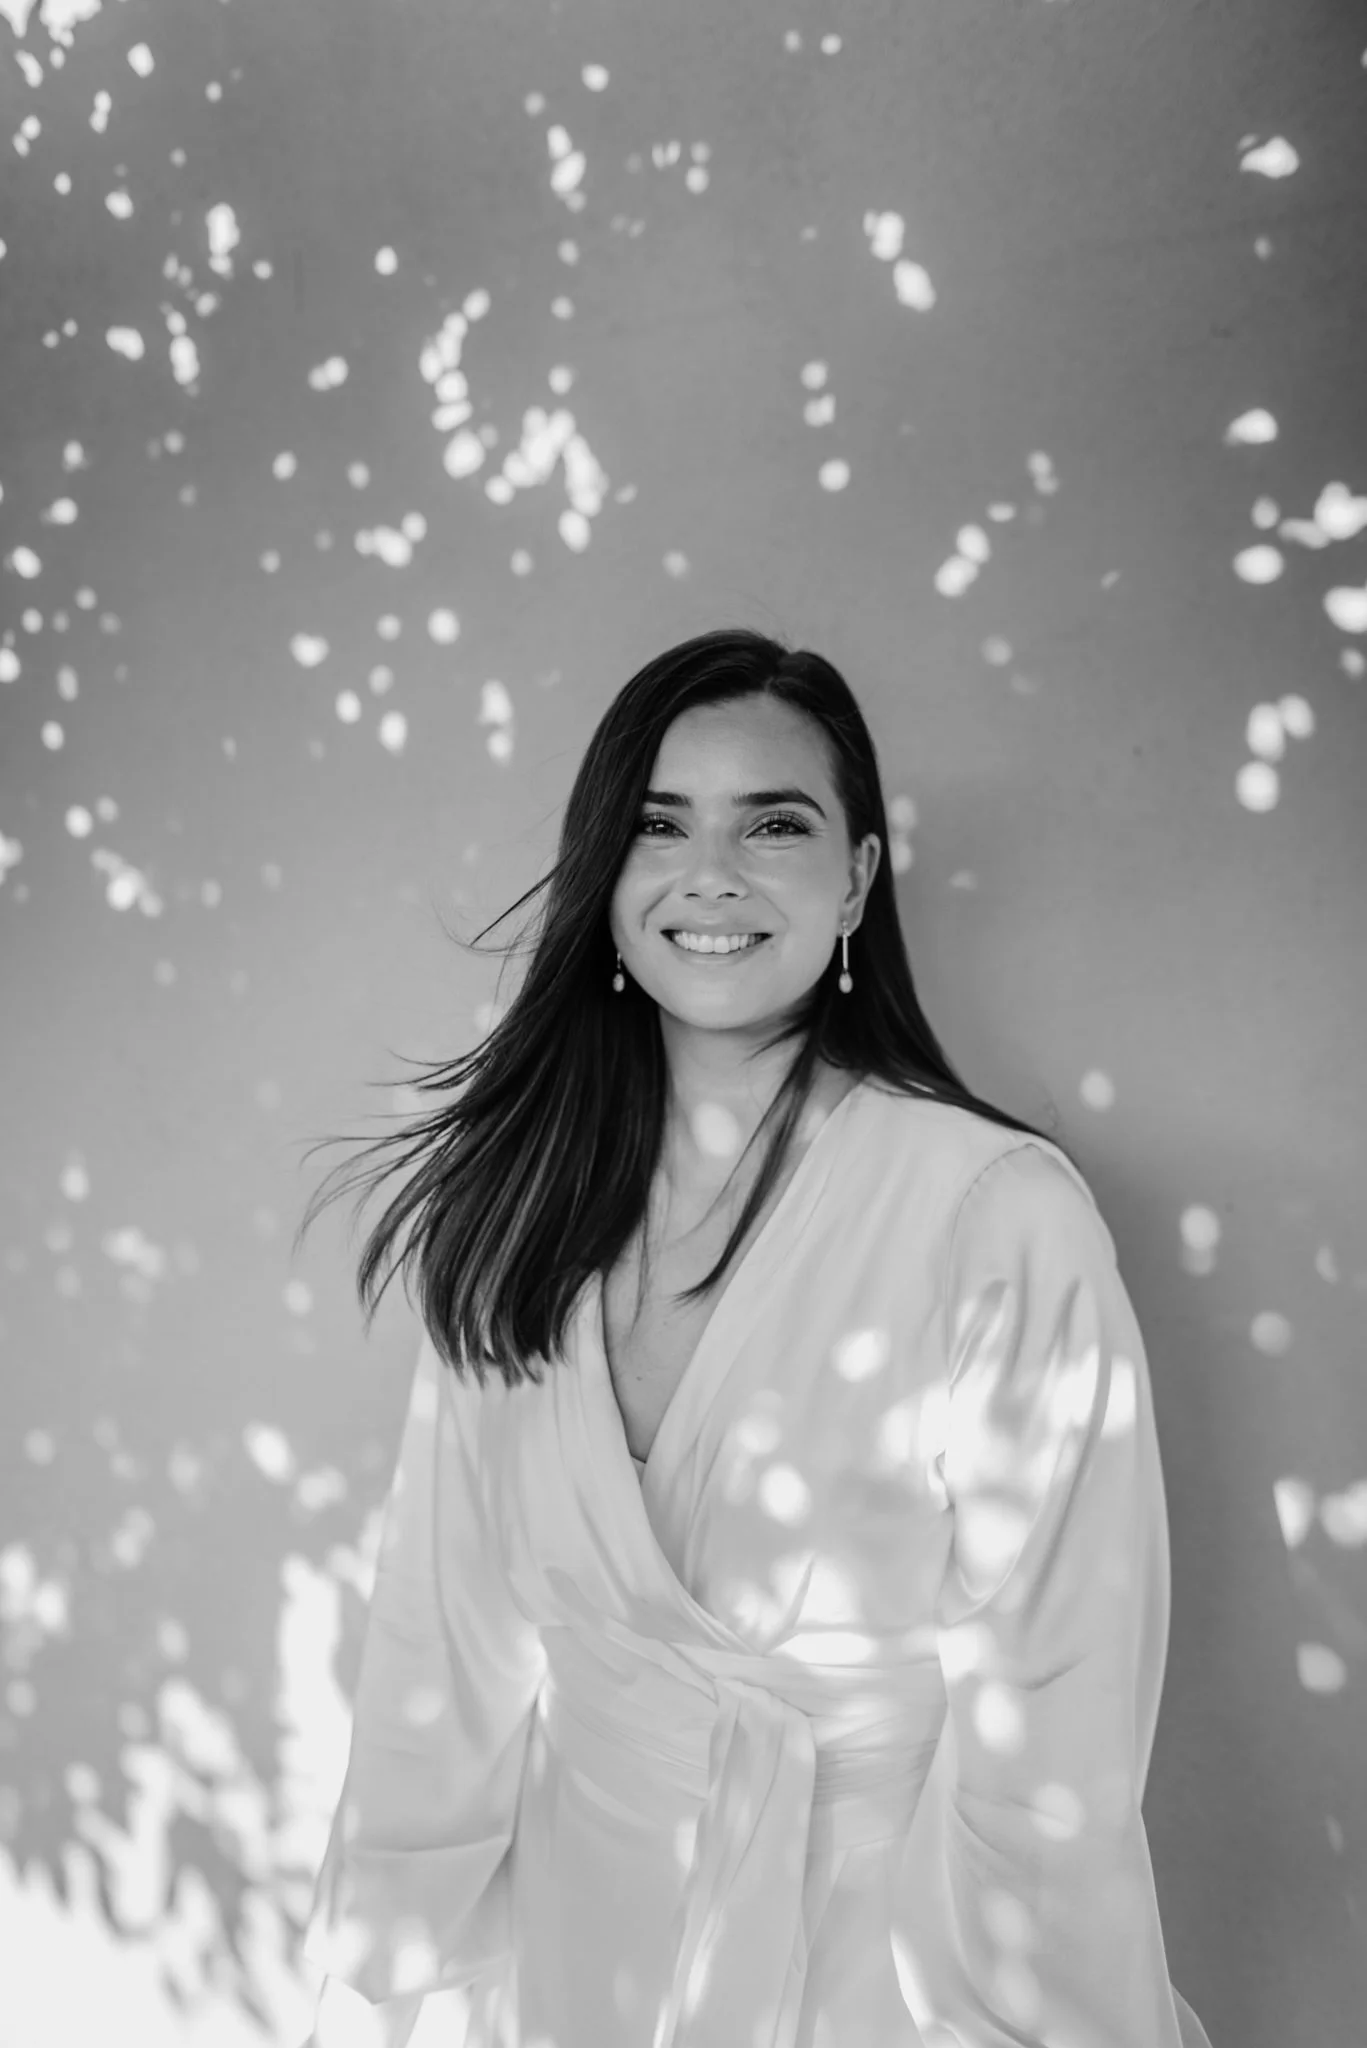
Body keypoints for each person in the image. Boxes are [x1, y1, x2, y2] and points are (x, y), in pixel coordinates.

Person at [295, 629, 1215, 2047]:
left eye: (773, 825)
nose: (710, 874)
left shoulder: (992, 1215)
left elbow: (1054, 1723)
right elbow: (438, 1638)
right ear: (605, 877)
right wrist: (378, 1989)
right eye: (659, 825)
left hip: (879, 1959)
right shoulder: (521, 1203)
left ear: (856, 879)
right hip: (575, 1945)